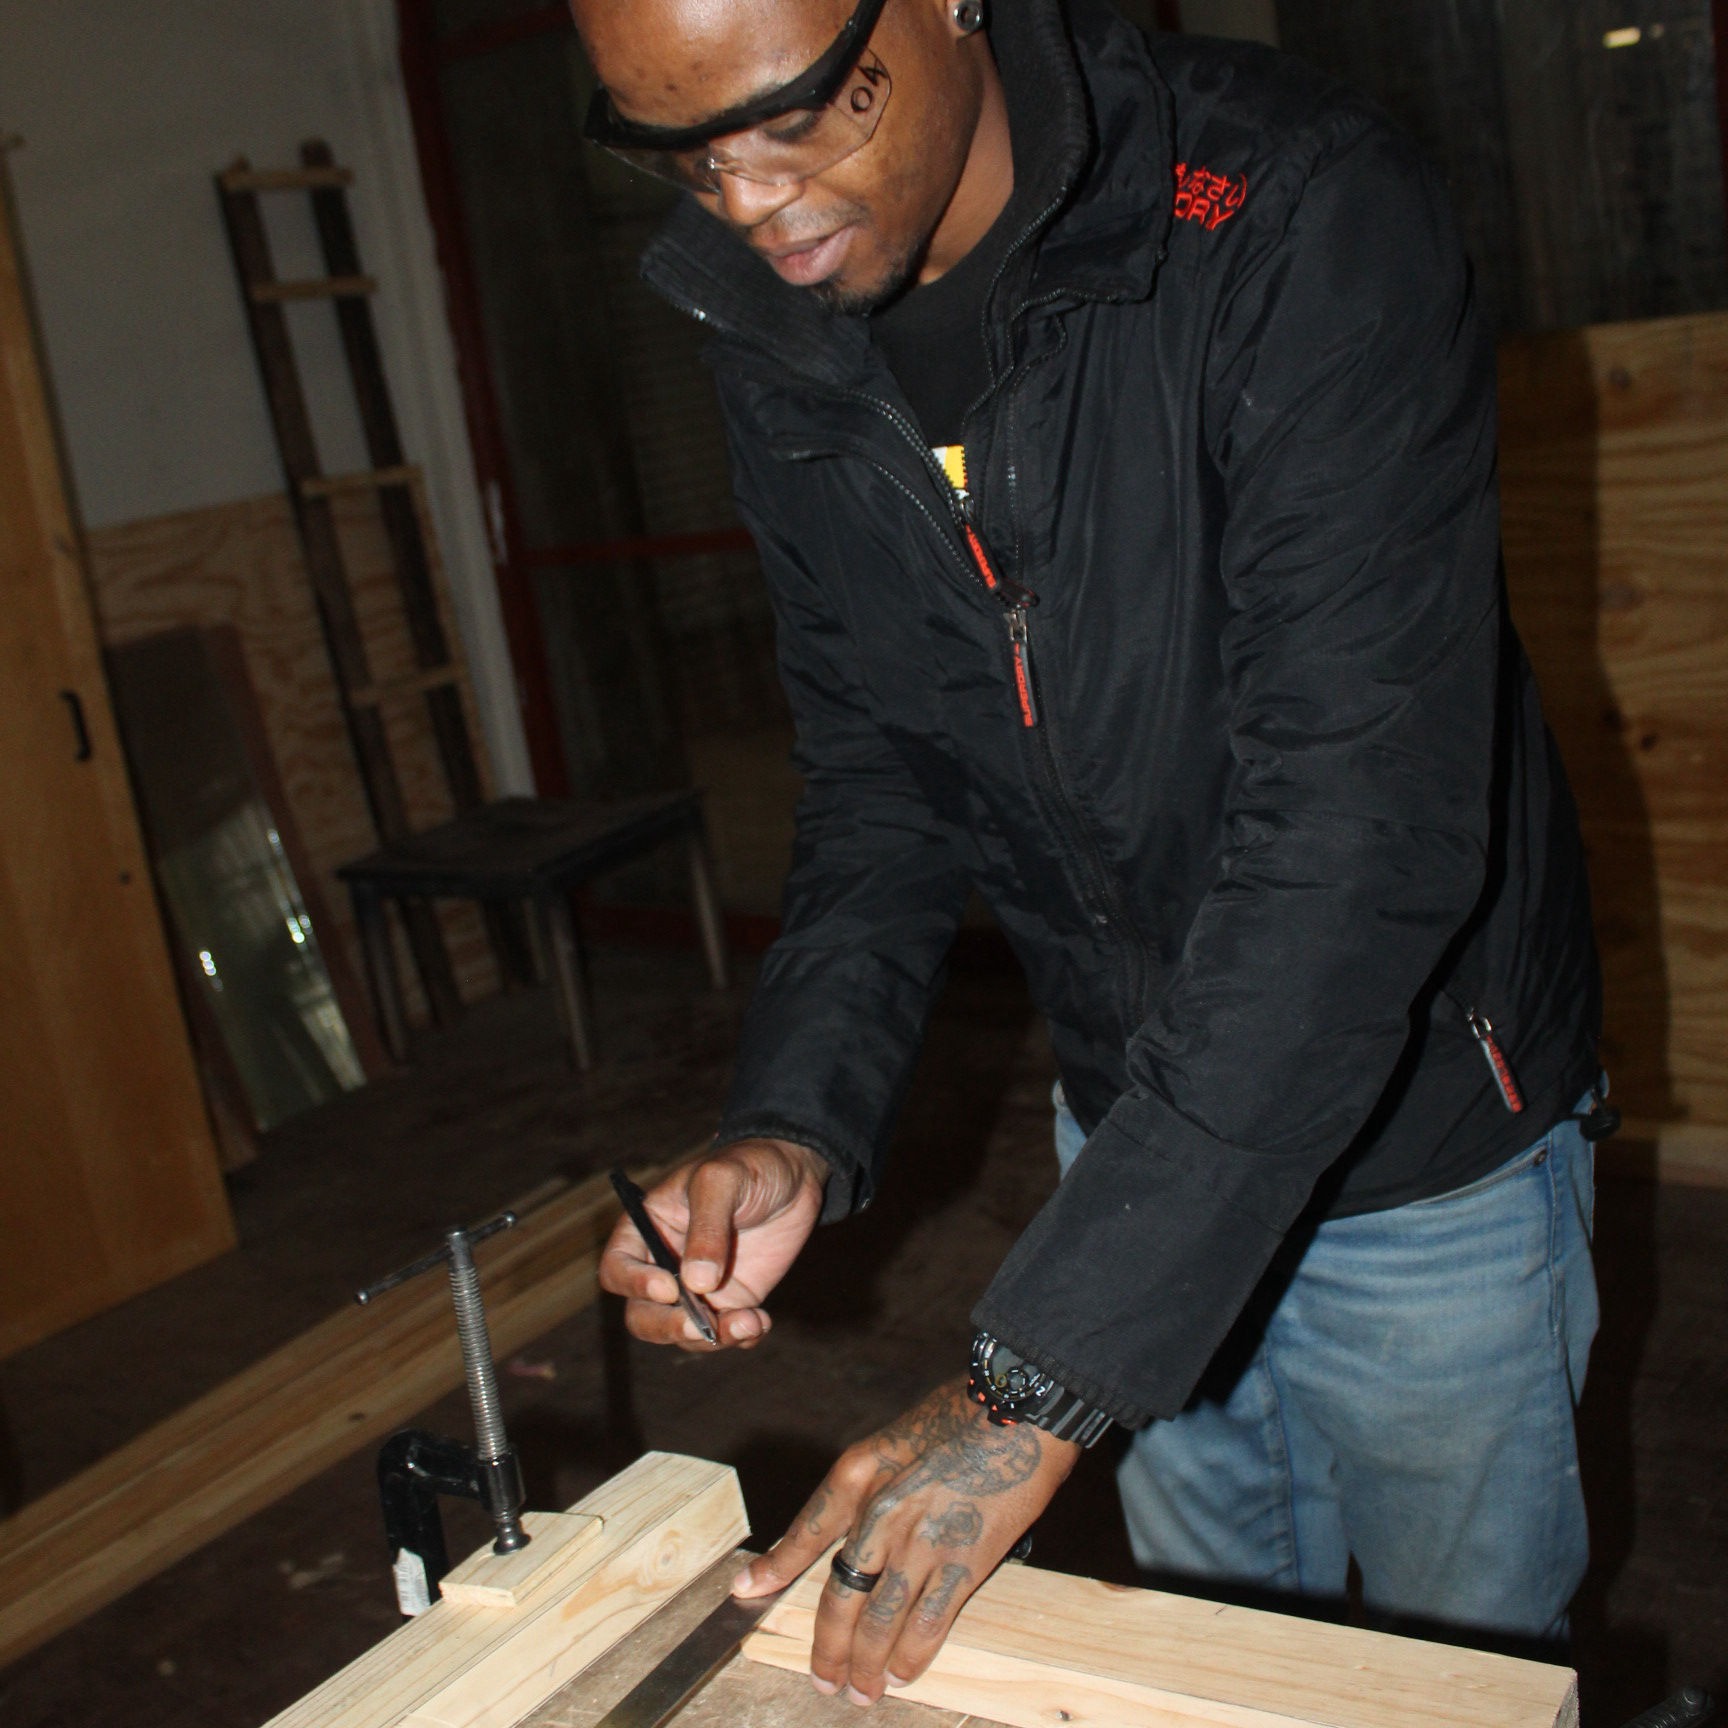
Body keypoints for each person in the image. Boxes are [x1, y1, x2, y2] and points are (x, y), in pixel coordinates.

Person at [579, 0, 1607, 1707]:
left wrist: (1037, 1380)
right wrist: (793, 1120)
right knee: (1203, 1659)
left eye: (803, 114)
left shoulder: (1297, 214)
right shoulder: (782, 321)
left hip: (1423, 1142)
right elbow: (874, 770)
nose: (751, 202)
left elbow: (1362, 838)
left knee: (1455, 1678)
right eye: (679, 153)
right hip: (1127, 1134)